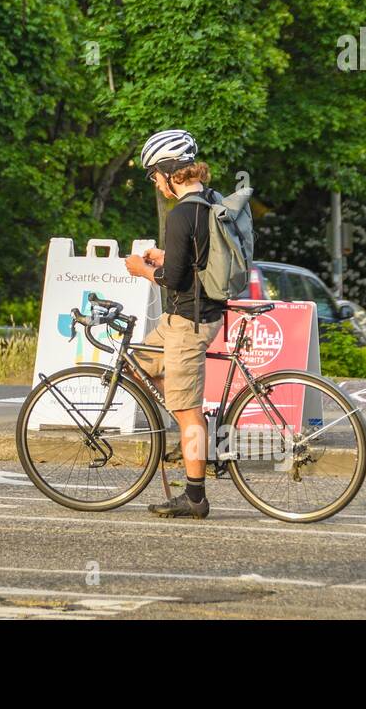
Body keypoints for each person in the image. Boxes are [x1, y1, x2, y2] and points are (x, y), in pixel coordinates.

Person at [124, 128, 226, 521]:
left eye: (154, 175)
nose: (155, 183)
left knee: (186, 411)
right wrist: (166, 254)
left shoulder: (181, 213)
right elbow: (196, 259)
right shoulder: (209, 202)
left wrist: (142, 271)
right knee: (138, 366)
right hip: (184, 316)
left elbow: (177, 279)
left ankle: (195, 496)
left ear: (170, 172)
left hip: (189, 322)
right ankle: (193, 432)